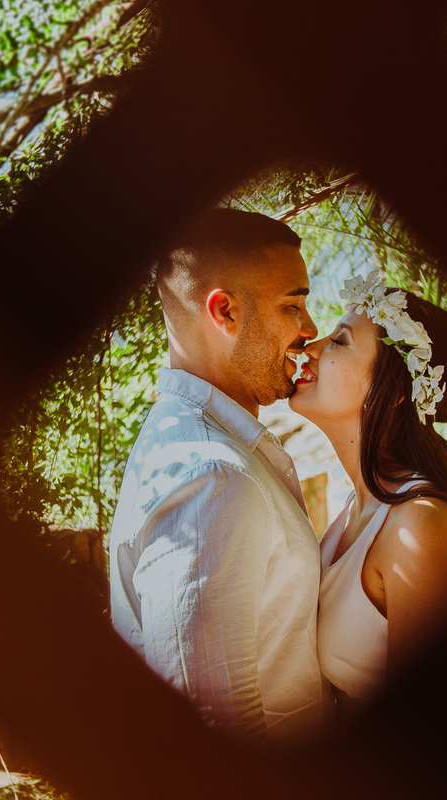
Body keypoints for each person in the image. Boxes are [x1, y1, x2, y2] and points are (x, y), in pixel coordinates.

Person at [290, 271, 447, 798]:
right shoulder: (356, 512)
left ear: (394, 392)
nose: (312, 345)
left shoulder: (421, 526)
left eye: (340, 340)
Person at [108, 208, 326, 742]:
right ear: (224, 311)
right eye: (292, 305)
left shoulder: (209, 452)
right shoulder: (211, 478)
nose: (310, 329)